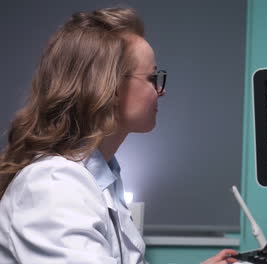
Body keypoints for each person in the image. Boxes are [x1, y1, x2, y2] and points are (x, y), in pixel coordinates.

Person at [0, 7, 238, 264]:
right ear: (109, 86)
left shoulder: (102, 175)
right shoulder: (53, 185)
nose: (160, 90)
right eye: (151, 77)